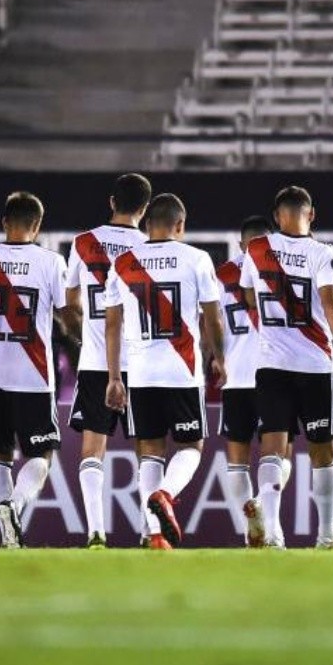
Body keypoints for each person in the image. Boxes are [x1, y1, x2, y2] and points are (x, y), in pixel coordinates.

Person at [239, 186, 333, 549]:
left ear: (277, 217)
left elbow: (247, 294)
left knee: (273, 448)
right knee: (323, 451)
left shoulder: (256, 249)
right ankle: (325, 534)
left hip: (272, 364)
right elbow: (332, 300)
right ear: (312, 215)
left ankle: (274, 534)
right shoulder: (324, 253)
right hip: (314, 365)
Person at [104, 193, 226, 550]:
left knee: (150, 450)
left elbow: (112, 325)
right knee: (191, 445)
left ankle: (153, 533)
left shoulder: (124, 262)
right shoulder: (197, 259)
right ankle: (165, 494)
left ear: (146, 225)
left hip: (140, 373)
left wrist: (114, 377)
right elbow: (213, 317)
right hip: (182, 371)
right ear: (181, 225)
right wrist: (220, 356)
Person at [0, 191, 68, 549]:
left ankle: (6, 534)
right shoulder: (52, 263)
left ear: (4, 223)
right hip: (34, 376)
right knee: (41, 454)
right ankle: (16, 505)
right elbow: (68, 311)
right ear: (37, 226)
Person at [65, 173, 151, 548]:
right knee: (147, 451)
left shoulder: (84, 243)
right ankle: (151, 531)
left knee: (92, 450)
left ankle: (96, 532)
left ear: (111, 202)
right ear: (145, 209)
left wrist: (85, 335)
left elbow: (70, 304)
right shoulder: (150, 247)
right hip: (142, 363)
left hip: (96, 360)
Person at [215, 215, 293, 547]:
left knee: (237, 462)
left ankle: (250, 533)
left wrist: (216, 358)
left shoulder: (219, 275)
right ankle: (271, 527)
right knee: (279, 455)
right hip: (274, 374)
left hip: (235, 378)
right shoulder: (285, 271)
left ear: (240, 244)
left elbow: (209, 321)